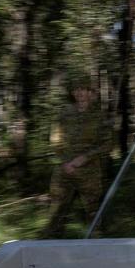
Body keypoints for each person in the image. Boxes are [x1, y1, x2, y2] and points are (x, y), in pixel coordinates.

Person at [44, 77, 111, 237]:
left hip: (90, 173)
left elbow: (107, 144)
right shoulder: (64, 113)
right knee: (55, 213)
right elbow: (55, 140)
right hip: (64, 171)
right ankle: (51, 247)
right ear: (73, 92)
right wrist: (66, 162)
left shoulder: (99, 116)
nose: (80, 92)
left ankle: (97, 249)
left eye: (84, 89)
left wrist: (84, 158)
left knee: (93, 215)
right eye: (77, 89)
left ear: (90, 92)